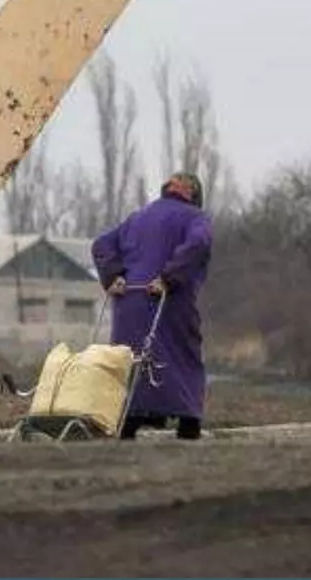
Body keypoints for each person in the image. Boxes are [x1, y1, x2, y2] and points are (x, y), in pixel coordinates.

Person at [91, 171, 213, 440]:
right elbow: (198, 244)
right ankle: (188, 423)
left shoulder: (138, 217)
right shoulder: (195, 218)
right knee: (183, 355)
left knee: (132, 357)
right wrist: (169, 277)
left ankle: (130, 421)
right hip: (168, 299)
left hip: (129, 301)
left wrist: (113, 276)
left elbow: (102, 244)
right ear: (194, 194)